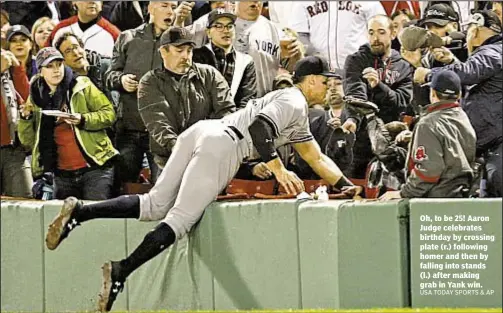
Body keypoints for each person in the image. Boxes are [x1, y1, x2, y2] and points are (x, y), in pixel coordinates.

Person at [44, 55, 361, 312]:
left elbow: (316, 158)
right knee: (179, 220)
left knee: (154, 204)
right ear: (308, 81)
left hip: (204, 131)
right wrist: (279, 169)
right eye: (325, 81)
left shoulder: (295, 110)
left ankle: (80, 214)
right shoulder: (294, 100)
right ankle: (121, 271)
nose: (329, 87)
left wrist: (345, 184)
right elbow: (260, 130)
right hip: (225, 145)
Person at [414, 10, 502, 197]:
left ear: (475, 31)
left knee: (497, 195)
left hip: (498, 145)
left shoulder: (492, 51)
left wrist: (430, 74)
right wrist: (452, 61)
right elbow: (477, 82)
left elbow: (468, 72)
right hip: (491, 145)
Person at [17, 47, 118, 200]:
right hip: (61, 174)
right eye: (49, 66)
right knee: (66, 220)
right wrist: (25, 118)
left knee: (96, 218)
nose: (56, 70)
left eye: (59, 64)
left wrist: (83, 119)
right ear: (40, 71)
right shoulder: (35, 97)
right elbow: (29, 142)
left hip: (95, 168)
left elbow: (109, 114)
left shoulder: (82, 85)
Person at [137, 27, 236, 168]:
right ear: (163, 52)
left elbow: (226, 112)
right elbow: (158, 122)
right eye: (179, 51)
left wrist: (210, 145)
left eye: (189, 51)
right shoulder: (150, 82)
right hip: (167, 159)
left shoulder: (210, 74)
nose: (186, 56)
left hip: (209, 154)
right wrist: (182, 151)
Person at [105, 1, 177, 189]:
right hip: (130, 128)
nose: (171, 11)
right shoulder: (128, 37)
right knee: (124, 187)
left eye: (173, 7)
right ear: (150, 9)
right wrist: (121, 80)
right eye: (165, 5)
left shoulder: (178, 43)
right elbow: (110, 75)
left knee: (163, 188)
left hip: (162, 131)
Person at [380, 70, 476, 200]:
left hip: (434, 201)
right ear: (458, 95)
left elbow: (429, 171)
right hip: (460, 194)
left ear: (433, 93)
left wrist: (404, 193)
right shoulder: (463, 117)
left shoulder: (427, 124)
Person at [342, 14, 413, 179]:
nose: (375, 38)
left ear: (392, 34)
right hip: (359, 140)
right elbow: (355, 91)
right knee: (354, 187)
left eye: (381, 32)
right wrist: (353, 119)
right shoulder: (356, 60)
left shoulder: (403, 65)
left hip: (390, 141)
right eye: (371, 32)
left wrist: (378, 86)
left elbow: (401, 101)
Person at [289, 1, 386, 69]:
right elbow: (299, 35)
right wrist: (318, 60)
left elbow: (383, 32)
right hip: (318, 72)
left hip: (359, 70)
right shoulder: (302, 2)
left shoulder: (370, 3)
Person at [193, 9, 257, 109]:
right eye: (219, 26)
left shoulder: (246, 61)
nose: (226, 30)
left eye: (230, 26)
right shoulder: (196, 56)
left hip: (233, 120)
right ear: (208, 32)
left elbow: (246, 100)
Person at [1, 48, 33, 198]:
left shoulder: (4, 57)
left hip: (14, 147)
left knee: (26, 203)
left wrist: (18, 70)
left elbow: (27, 99)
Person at [47, 1, 120, 58]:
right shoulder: (60, 29)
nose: (92, 2)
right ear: (74, 2)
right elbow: (44, 57)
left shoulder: (114, 34)